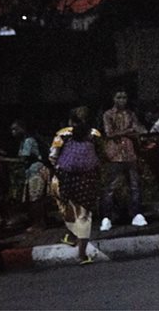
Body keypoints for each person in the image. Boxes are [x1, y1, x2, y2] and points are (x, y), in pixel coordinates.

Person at [51, 108, 102, 265]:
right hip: (87, 179)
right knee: (84, 216)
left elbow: (52, 156)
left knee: (68, 208)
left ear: (71, 121)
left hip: (66, 178)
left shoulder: (62, 134)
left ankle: (71, 235)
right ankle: (82, 254)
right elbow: (101, 154)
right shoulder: (95, 135)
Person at [100, 89, 149, 231]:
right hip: (115, 154)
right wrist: (128, 132)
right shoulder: (108, 114)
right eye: (119, 97)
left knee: (135, 185)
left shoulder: (131, 114)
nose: (122, 100)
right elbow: (109, 133)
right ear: (113, 98)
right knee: (111, 187)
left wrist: (129, 133)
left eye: (124, 97)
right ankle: (107, 217)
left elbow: (139, 130)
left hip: (130, 153)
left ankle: (137, 214)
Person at [8, 120, 50, 230]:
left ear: (23, 129)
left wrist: (4, 159)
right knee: (37, 199)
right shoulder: (27, 140)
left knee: (35, 200)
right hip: (36, 170)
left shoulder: (28, 141)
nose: (13, 132)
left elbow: (23, 159)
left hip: (35, 171)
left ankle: (39, 224)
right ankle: (42, 221)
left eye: (15, 129)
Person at [137, 106, 159, 217]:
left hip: (156, 155)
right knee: (140, 183)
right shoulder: (139, 125)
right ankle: (140, 210)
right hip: (143, 156)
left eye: (154, 112)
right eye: (149, 112)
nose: (151, 115)